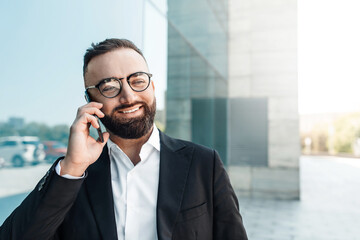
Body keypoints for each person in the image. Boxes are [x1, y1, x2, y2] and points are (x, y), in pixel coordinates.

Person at [0, 38, 248, 240]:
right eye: (109, 87)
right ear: (90, 100)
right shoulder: (72, 178)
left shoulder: (203, 163)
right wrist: (72, 168)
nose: (128, 96)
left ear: (151, 86)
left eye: (138, 81)